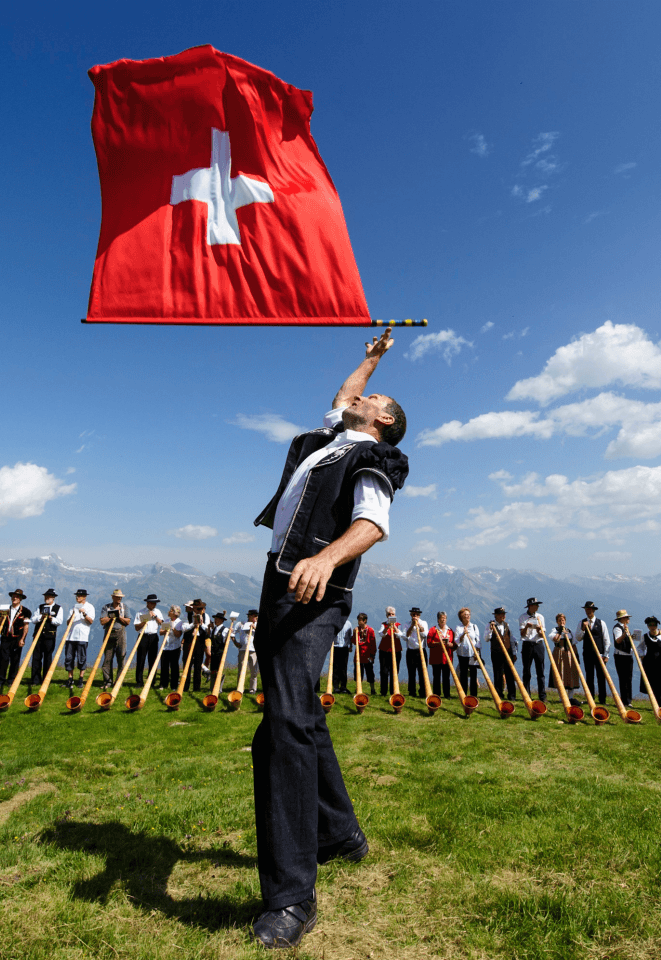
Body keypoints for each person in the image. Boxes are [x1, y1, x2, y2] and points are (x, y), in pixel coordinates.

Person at [246, 329, 408, 948]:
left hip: (315, 590)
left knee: (282, 727)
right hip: (280, 583)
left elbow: (372, 524)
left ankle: (291, 897)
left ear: (384, 420)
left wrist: (327, 560)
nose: (359, 399)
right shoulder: (334, 441)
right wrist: (372, 358)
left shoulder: (371, 457)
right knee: (301, 716)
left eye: (374, 396)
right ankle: (340, 833)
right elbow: (344, 395)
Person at [0, 590, 31, 689]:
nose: (14, 598)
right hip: (5, 638)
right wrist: (2, 618)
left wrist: (23, 639)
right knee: (3, 659)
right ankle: (1, 679)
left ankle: (11, 680)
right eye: (13, 596)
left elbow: (26, 626)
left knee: (15, 660)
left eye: (17, 597)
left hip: (17, 638)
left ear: (20, 599)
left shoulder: (26, 611)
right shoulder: (4, 609)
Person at [177, 599, 211, 692]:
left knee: (198, 664)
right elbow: (183, 628)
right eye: (197, 608)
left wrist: (201, 624)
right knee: (187, 664)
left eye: (200, 608)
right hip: (188, 641)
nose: (199, 610)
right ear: (193, 608)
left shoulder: (206, 616)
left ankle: (197, 687)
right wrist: (193, 624)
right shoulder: (186, 615)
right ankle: (185, 686)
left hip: (200, 642)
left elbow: (207, 630)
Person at [99, 589, 131, 688]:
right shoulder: (106, 607)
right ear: (113, 597)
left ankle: (118, 682)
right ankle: (108, 682)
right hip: (109, 632)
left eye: (121, 597)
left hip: (121, 633)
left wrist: (119, 616)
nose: (119, 598)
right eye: (118, 597)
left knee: (121, 657)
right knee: (107, 659)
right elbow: (102, 621)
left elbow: (128, 621)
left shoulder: (125, 607)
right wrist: (112, 615)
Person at [518, 597, 546, 702]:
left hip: (538, 644)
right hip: (527, 644)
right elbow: (522, 634)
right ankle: (527, 695)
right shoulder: (523, 617)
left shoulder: (540, 617)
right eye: (536, 605)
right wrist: (526, 627)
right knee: (527, 671)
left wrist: (539, 630)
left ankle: (542, 696)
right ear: (531, 606)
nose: (538, 606)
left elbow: (542, 634)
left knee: (540, 671)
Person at [30, 590, 63, 683]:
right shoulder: (40, 607)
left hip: (49, 636)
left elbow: (59, 621)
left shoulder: (58, 608)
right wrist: (40, 617)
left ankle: (46, 680)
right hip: (38, 636)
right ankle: (35, 679)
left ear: (53, 598)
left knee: (48, 657)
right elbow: (33, 619)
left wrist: (50, 618)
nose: (46, 598)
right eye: (46, 596)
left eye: (49, 597)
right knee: (36, 657)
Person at [579, 602, 609, 704]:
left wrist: (606, 655)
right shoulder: (581, 622)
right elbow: (578, 638)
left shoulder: (601, 623)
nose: (588, 611)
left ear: (593, 610)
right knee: (589, 676)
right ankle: (590, 698)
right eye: (587, 609)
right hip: (587, 654)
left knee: (601, 677)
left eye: (590, 610)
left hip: (599, 654)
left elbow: (606, 640)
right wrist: (583, 628)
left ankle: (602, 700)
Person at [66, 589, 95, 687]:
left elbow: (90, 621)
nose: (77, 597)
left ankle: (81, 679)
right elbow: (67, 623)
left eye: (79, 595)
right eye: (77, 595)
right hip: (70, 636)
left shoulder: (90, 607)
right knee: (69, 658)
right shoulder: (73, 607)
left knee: (81, 658)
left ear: (84, 597)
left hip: (82, 636)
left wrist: (84, 613)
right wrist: (73, 614)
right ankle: (70, 678)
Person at [549, 613, 580, 705]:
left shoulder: (569, 631)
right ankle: (561, 697)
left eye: (563, 620)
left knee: (571, 675)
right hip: (559, 653)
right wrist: (560, 632)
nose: (562, 622)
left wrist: (576, 656)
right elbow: (555, 639)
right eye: (560, 620)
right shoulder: (554, 630)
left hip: (569, 654)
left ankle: (570, 697)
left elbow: (574, 643)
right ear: (557, 622)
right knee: (560, 674)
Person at [134, 594, 165, 685]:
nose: (154, 605)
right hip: (143, 636)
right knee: (141, 659)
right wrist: (146, 618)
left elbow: (162, 624)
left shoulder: (158, 612)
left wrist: (155, 616)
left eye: (155, 603)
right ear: (147, 603)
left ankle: (151, 681)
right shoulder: (140, 612)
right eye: (152, 603)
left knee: (153, 660)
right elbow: (137, 627)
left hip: (154, 636)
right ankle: (139, 681)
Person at [488, 607, 517, 701]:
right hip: (497, 653)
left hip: (508, 652)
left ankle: (512, 695)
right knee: (498, 674)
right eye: (501, 615)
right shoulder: (490, 625)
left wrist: (514, 652)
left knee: (510, 673)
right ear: (496, 616)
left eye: (504, 614)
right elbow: (486, 638)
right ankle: (499, 694)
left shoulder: (507, 625)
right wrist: (490, 629)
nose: (503, 616)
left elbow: (512, 639)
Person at [427, 611, 455, 699]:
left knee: (446, 677)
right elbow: (429, 643)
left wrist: (450, 644)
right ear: (438, 620)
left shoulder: (450, 630)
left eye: (445, 618)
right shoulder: (433, 630)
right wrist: (439, 643)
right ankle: (436, 694)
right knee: (436, 677)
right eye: (441, 618)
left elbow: (454, 644)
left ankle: (447, 694)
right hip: (436, 657)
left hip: (447, 658)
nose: (443, 620)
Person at [455, 608, 481, 698]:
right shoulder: (458, 627)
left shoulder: (474, 626)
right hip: (462, 654)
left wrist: (477, 653)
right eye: (465, 615)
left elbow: (478, 641)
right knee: (463, 675)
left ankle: (474, 695)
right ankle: (464, 695)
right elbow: (457, 641)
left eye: (468, 614)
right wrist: (463, 634)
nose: (467, 616)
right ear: (461, 617)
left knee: (473, 674)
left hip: (472, 654)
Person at [378, 607, 403, 696]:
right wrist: (387, 626)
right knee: (384, 671)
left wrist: (394, 627)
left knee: (394, 671)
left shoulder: (398, 625)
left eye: (392, 614)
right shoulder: (383, 624)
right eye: (389, 614)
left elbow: (400, 635)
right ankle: (383, 691)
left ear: (395, 615)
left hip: (396, 651)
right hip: (384, 651)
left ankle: (393, 691)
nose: (391, 616)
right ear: (386, 615)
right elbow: (381, 634)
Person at [403, 607, 427, 698]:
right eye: (413, 615)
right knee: (411, 672)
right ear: (411, 615)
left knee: (422, 672)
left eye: (417, 615)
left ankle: (423, 691)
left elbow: (425, 635)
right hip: (411, 651)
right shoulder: (407, 624)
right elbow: (405, 636)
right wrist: (412, 626)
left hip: (421, 650)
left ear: (419, 615)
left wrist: (420, 627)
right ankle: (412, 692)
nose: (415, 616)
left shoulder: (424, 623)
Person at [612, 610, 634, 706]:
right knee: (623, 678)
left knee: (628, 678)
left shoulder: (625, 628)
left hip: (628, 655)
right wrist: (625, 633)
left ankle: (628, 700)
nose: (628, 619)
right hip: (620, 656)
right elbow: (618, 641)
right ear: (622, 619)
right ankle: (624, 700)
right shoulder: (617, 628)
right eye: (627, 617)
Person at [160, 604, 185, 689]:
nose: (168, 612)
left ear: (175, 613)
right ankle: (163, 684)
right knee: (164, 666)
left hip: (175, 647)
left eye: (170, 610)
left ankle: (174, 685)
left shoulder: (179, 622)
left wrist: (172, 627)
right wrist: (166, 629)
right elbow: (161, 632)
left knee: (174, 666)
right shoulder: (166, 620)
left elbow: (178, 635)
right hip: (165, 646)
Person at [209, 610, 233, 692]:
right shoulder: (214, 629)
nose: (215, 620)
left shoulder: (225, 630)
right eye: (215, 619)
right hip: (213, 652)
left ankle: (219, 688)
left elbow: (226, 642)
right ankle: (212, 687)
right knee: (213, 670)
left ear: (221, 620)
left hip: (220, 652)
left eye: (217, 619)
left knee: (219, 671)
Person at [354, 613, 375, 690]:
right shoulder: (357, 630)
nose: (359, 622)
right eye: (358, 620)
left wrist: (372, 655)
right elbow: (354, 641)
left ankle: (372, 688)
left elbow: (373, 643)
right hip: (358, 654)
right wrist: (354, 633)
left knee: (370, 673)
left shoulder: (370, 630)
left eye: (360, 620)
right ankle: (358, 688)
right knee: (358, 672)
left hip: (367, 654)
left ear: (364, 620)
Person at [333, 617, 353, 693]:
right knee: (336, 667)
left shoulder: (348, 624)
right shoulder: (335, 622)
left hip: (345, 647)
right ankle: (335, 687)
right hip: (336, 647)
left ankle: (343, 687)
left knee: (344, 667)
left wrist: (350, 646)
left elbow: (350, 636)